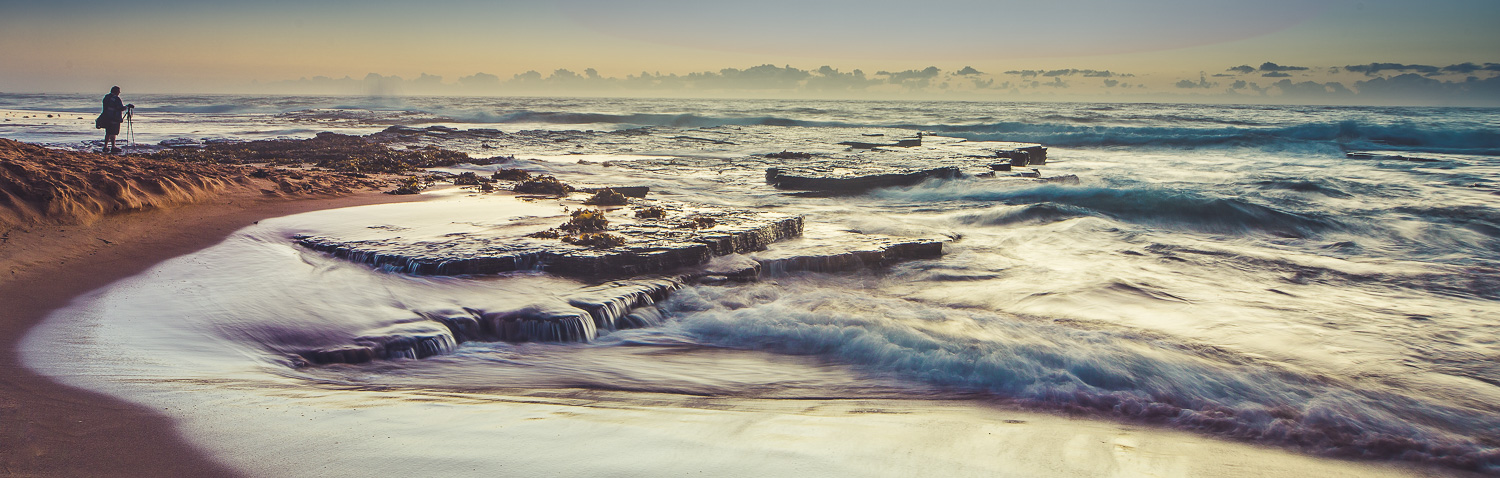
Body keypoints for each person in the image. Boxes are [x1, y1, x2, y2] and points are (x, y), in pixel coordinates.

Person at [96, 86, 134, 153]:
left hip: (106, 117)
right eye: (119, 91)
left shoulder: (106, 97)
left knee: (108, 132)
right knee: (113, 133)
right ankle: (113, 147)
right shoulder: (116, 99)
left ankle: (105, 146)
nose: (119, 92)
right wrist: (127, 106)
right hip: (114, 118)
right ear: (116, 91)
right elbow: (120, 108)